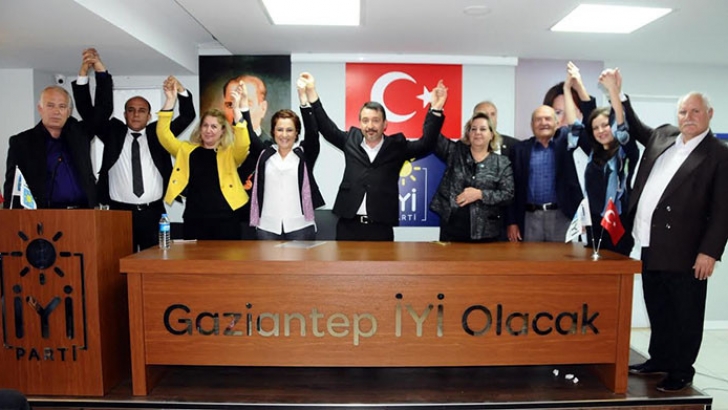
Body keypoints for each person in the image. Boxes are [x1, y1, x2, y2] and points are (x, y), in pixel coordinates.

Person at [616, 70, 728, 392]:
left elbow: (723, 209)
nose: (688, 116)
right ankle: (660, 359)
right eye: (683, 111)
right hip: (651, 243)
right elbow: (635, 126)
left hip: (688, 250)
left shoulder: (719, 154)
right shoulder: (664, 136)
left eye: (695, 111)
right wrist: (618, 95)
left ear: (709, 114)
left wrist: (709, 252)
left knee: (685, 314)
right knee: (659, 307)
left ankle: (681, 370)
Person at [72, 48, 195, 251]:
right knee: (118, 261)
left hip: (153, 213)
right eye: (131, 110)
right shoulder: (113, 132)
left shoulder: (159, 134)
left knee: (155, 262)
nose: (136, 115)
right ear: (124, 114)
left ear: (149, 116)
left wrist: (180, 90)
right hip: (119, 213)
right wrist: (88, 73)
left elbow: (187, 116)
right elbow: (89, 112)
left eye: (141, 111)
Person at [303, 72, 446, 241]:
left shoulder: (397, 146)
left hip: (380, 227)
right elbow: (327, 128)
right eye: (365, 120)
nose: (370, 126)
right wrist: (311, 93)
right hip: (347, 225)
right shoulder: (350, 140)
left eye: (375, 120)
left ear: (385, 124)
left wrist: (436, 109)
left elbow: (426, 144)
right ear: (360, 123)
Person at [157, 79, 251, 240]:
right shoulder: (186, 150)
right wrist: (170, 100)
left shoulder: (229, 153)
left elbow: (243, 144)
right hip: (195, 218)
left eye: (214, 126)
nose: (208, 130)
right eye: (205, 125)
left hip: (227, 218)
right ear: (200, 128)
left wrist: (236, 110)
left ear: (222, 131)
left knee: (228, 257)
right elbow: (163, 135)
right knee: (195, 257)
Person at [564, 63, 638, 255]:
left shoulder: (626, 151)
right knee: (594, 269)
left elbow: (621, 125)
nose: (600, 131)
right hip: (594, 222)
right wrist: (568, 88)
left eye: (605, 125)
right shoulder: (593, 152)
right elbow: (574, 123)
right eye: (596, 128)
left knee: (616, 269)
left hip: (618, 223)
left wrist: (613, 90)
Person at [249, 78, 324, 240]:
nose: (284, 135)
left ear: (296, 132)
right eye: (280, 129)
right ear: (273, 131)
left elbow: (313, 133)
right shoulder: (265, 154)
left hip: (301, 227)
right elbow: (249, 134)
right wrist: (242, 109)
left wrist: (303, 102)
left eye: (289, 130)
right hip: (267, 227)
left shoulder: (304, 154)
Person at [3, 85, 96, 209]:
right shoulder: (22, 142)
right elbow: (13, 186)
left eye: (62, 106)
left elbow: (100, 115)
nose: (56, 112)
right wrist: (10, 216)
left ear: (68, 112)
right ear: (40, 109)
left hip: (84, 212)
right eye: (50, 106)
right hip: (45, 214)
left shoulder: (79, 136)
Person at [505, 102, 587, 242]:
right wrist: (512, 222)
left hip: (562, 216)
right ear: (532, 125)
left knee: (561, 256)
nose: (543, 123)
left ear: (557, 123)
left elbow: (578, 129)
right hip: (529, 218)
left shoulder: (567, 146)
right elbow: (512, 188)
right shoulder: (519, 150)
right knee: (530, 257)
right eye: (538, 119)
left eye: (548, 119)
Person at [430, 111, 514, 242]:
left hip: (486, 234)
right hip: (451, 231)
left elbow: (508, 195)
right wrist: (436, 110)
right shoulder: (455, 152)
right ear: (468, 134)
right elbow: (432, 136)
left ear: (491, 134)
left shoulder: (501, 163)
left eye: (483, 129)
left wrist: (480, 194)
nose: (477, 132)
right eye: (473, 129)